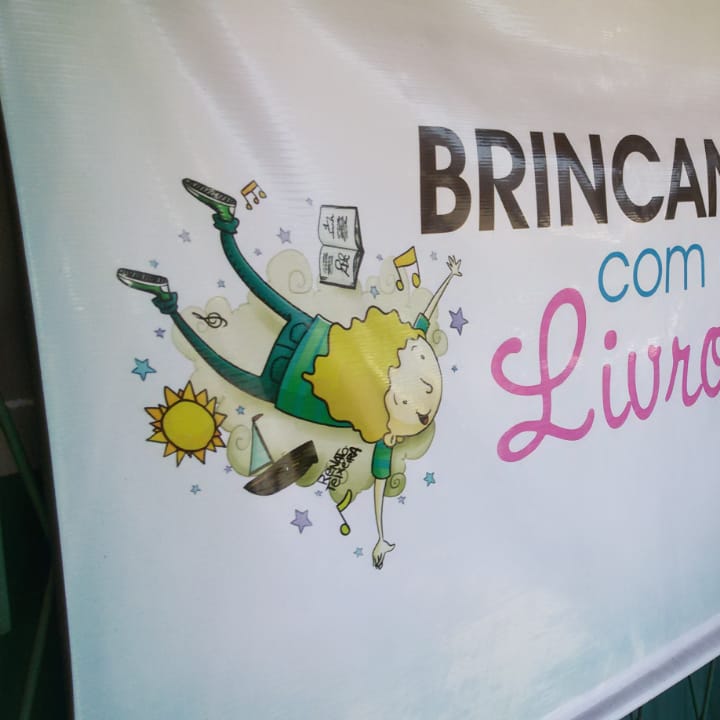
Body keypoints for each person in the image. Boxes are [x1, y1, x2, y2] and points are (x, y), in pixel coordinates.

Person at [117, 178, 462, 569]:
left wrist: (381, 537)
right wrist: (448, 278)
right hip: (304, 363)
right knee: (234, 331)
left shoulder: (385, 433)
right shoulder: (398, 374)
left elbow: (380, 486)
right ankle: (192, 269)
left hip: (298, 370)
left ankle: (179, 286)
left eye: (412, 408)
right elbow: (425, 316)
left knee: (226, 349)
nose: (416, 406)